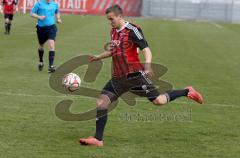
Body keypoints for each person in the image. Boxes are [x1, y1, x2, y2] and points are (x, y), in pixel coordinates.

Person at [79, 5, 204, 147]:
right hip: (118, 78)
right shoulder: (113, 31)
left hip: (135, 76)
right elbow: (113, 51)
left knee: (159, 101)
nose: (110, 22)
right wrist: (98, 57)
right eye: (108, 20)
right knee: (102, 102)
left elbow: (146, 49)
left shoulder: (133, 30)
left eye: (112, 19)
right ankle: (98, 139)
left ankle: (187, 91)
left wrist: (148, 65)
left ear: (120, 16)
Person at [30, 0, 62, 73]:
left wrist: (58, 18)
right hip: (41, 28)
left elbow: (57, 12)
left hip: (51, 27)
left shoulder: (54, 4)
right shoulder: (39, 4)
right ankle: (41, 60)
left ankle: (50, 66)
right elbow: (31, 13)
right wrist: (39, 17)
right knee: (41, 45)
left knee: (51, 45)